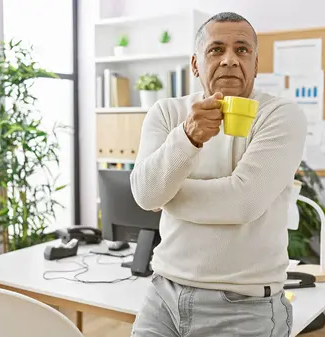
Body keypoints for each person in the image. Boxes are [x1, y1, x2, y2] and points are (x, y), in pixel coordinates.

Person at [129, 11, 308, 337]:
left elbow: (242, 203)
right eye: (216, 49)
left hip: (244, 307)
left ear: (255, 62)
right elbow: (144, 193)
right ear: (196, 64)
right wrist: (188, 137)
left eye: (242, 50)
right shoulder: (167, 113)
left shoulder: (281, 115)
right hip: (162, 296)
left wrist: (166, 196)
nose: (229, 60)